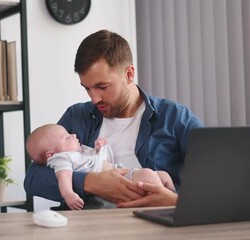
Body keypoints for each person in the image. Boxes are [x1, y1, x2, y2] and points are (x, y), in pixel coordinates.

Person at [24, 29, 203, 208]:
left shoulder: (175, 117)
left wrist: (173, 201)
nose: (94, 99)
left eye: (102, 86)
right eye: (87, 88)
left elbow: (217, 182)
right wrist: (91, 182)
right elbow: (33, 179)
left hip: (156, 229)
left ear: (129, 74)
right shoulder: (77, 117)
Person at [26, 123, 175, 210]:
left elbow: (101, 161)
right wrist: (69, 194)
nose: (73, 135)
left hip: (122, 172)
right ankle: (160, 209)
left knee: (163, 175)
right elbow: (60, 177)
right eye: (66, 137)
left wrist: (99, 149)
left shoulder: (80, 152)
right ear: (51, 155)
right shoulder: (62, 159)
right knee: (149, 175)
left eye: (103, 86)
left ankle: (170, 207)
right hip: (121, 181)